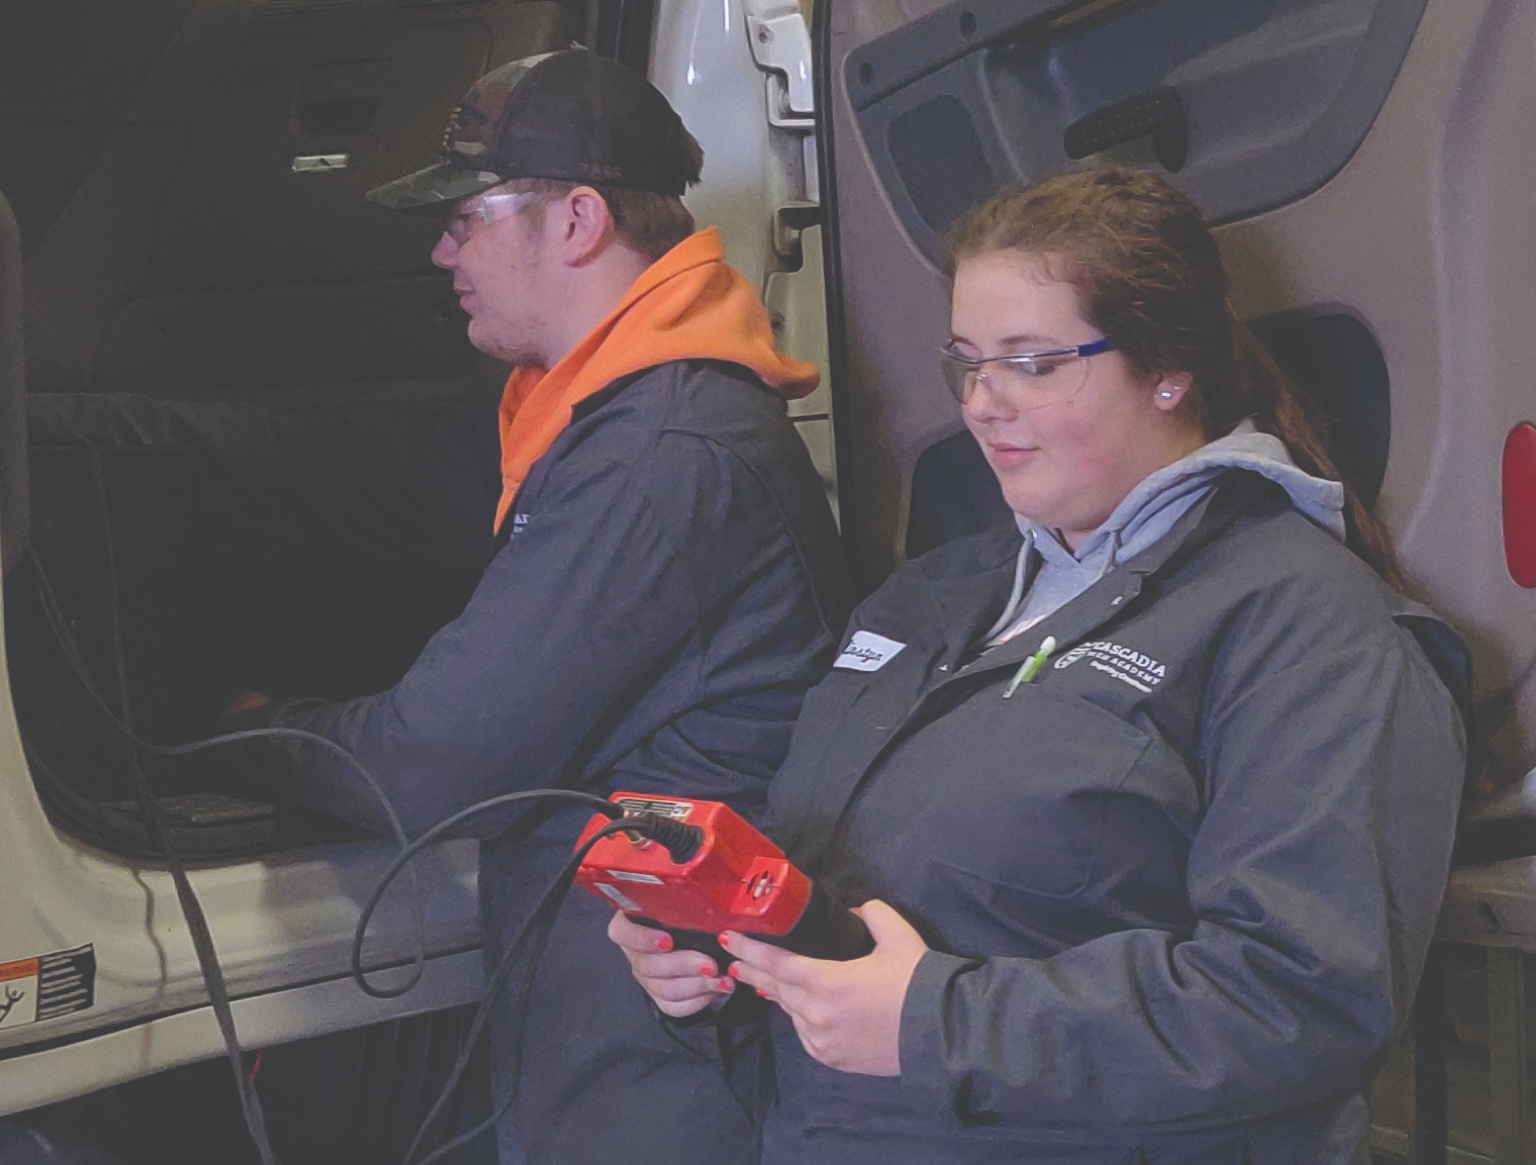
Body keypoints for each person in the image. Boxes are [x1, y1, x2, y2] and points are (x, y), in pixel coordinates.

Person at [611, 165, 1469, 1164]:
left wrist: (934, 1019)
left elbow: (1299, 1002)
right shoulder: (924, 595)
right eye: (967, 363)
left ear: (1167, 368)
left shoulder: (1306, 624)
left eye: (1032, 363)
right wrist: (721, 950)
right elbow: (846, 893)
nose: (982, 404)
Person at [231, 48, 850, 1165]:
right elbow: (354, 467)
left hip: (670, 1062)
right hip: (611, 1020)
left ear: (573, 221)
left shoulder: (660, 458)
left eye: (466, 218)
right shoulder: (588, 416)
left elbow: (428, 763)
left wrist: (255, 730)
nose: (440, 250)